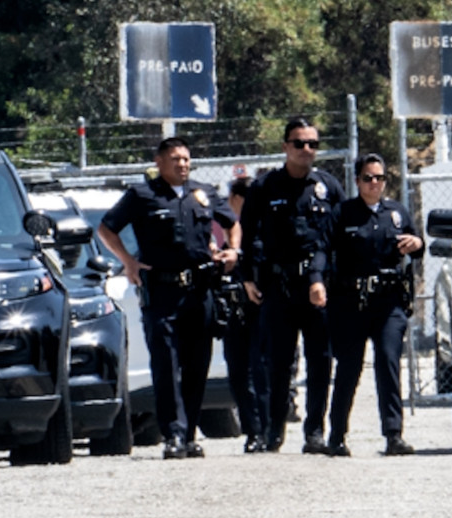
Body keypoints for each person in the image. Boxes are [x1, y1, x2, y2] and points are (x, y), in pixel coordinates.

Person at [98, 137, 240, 459]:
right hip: (162, 292)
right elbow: (107, 229)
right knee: (166, 363)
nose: (182, 164)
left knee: (197, 364)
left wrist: (233, 250)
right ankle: (173, 434)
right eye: (175, 159)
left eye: (187, 159)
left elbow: (233, 223)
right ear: (159, 162)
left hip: (200, 291)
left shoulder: (202, 193)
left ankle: (189, 435)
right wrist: (128, 262)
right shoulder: (143, 195)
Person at [240, 118, 345, 453]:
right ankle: (273, 430)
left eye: (313, 144)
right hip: (279, 286)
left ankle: (314, 431)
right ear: (285, 146)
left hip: (319, 289)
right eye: (299, 143)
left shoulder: (328, 186)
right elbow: (248, 234)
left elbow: (340, 237)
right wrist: (247, 277)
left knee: (320, 361)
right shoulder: (264, 187)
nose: (307, 150)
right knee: (278, 363)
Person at [324, 153, 424, 457]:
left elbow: (417, 244)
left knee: (388, 361)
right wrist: (318, 282)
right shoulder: (342, 214)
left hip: (388, 302)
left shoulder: (396, 213)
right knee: (349, 369)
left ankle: (394, 434)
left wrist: (417, 244)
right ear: (357, 181)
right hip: (351, 303)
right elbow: (323, 249)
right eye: (368, 178)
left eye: (379, 178)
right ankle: (337, 436)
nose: (374, 184)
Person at [220, 176, 270, 453]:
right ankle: (253, 430)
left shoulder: (260, 231)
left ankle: (264, 430)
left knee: (259, 370)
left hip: (259, 310)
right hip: (234, 310)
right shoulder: (229, 233)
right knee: (238, 371)